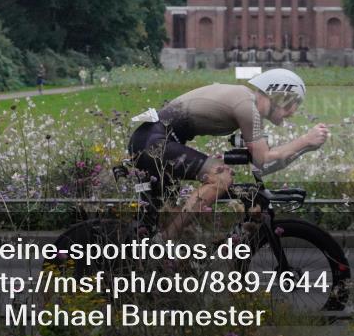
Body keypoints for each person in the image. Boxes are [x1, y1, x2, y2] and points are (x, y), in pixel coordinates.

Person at [128, 69, 328, 240]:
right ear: (279, 96)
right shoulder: (247, 106)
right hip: (154, 142)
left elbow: (263, 167)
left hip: (150, 139)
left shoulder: (249, 105)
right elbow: (264, 159)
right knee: (221, 177)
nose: (293, 112)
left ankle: (158, 258)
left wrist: (306, 147)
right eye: (295, 103)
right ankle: (163, 243)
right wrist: (304, 140)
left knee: (179, 222)